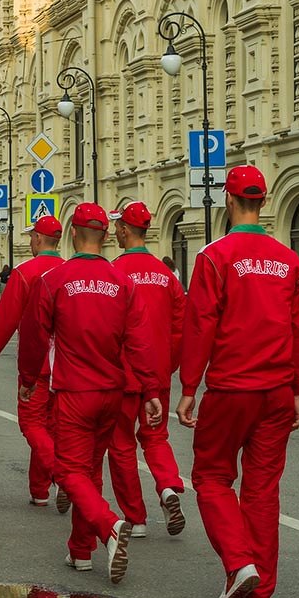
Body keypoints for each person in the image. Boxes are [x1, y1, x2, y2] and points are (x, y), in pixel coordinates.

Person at [178, 165, 299, 598]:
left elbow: (200, 324)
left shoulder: (215, 256)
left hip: (232, 388)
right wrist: (297, 388)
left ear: (231, 202)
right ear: (264, 203)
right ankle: (261, 596)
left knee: (211, 478)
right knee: (263, 491)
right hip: (276, 391)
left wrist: (189, 386)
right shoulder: (287, 259)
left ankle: (239, 565)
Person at [19, 203, 161, 584]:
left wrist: (28, 377)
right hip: (113, 392)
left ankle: (109, 525)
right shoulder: (122, 282)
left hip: (74, 391)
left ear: (73, 233)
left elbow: (35, 336)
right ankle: (80, 551)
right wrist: (150, 389)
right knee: (91, 470)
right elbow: (140, 340)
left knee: (68, 469)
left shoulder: (56, 279)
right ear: (103, 235)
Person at [108, 201, 187, 538]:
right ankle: (168, 486)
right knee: (156, 437)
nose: (114, 231)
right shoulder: (166, 275)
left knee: (122, 444)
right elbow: (180, 328)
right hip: (157, 368)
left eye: (117, 226)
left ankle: (136, 517)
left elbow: (106, 326)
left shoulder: (113, 271)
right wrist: (167, 366)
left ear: (125, 230)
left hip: (123, 373)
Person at [0, 214, 67, 508]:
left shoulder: (25, 272)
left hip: (37, 362)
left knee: (32, 425)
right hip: (67, 366)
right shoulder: (70, 270)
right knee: (51, 428)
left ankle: (63, 478)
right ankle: (40, 491)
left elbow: (6, 317)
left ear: (40, 240)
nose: (30, 241)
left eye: (32, 237)